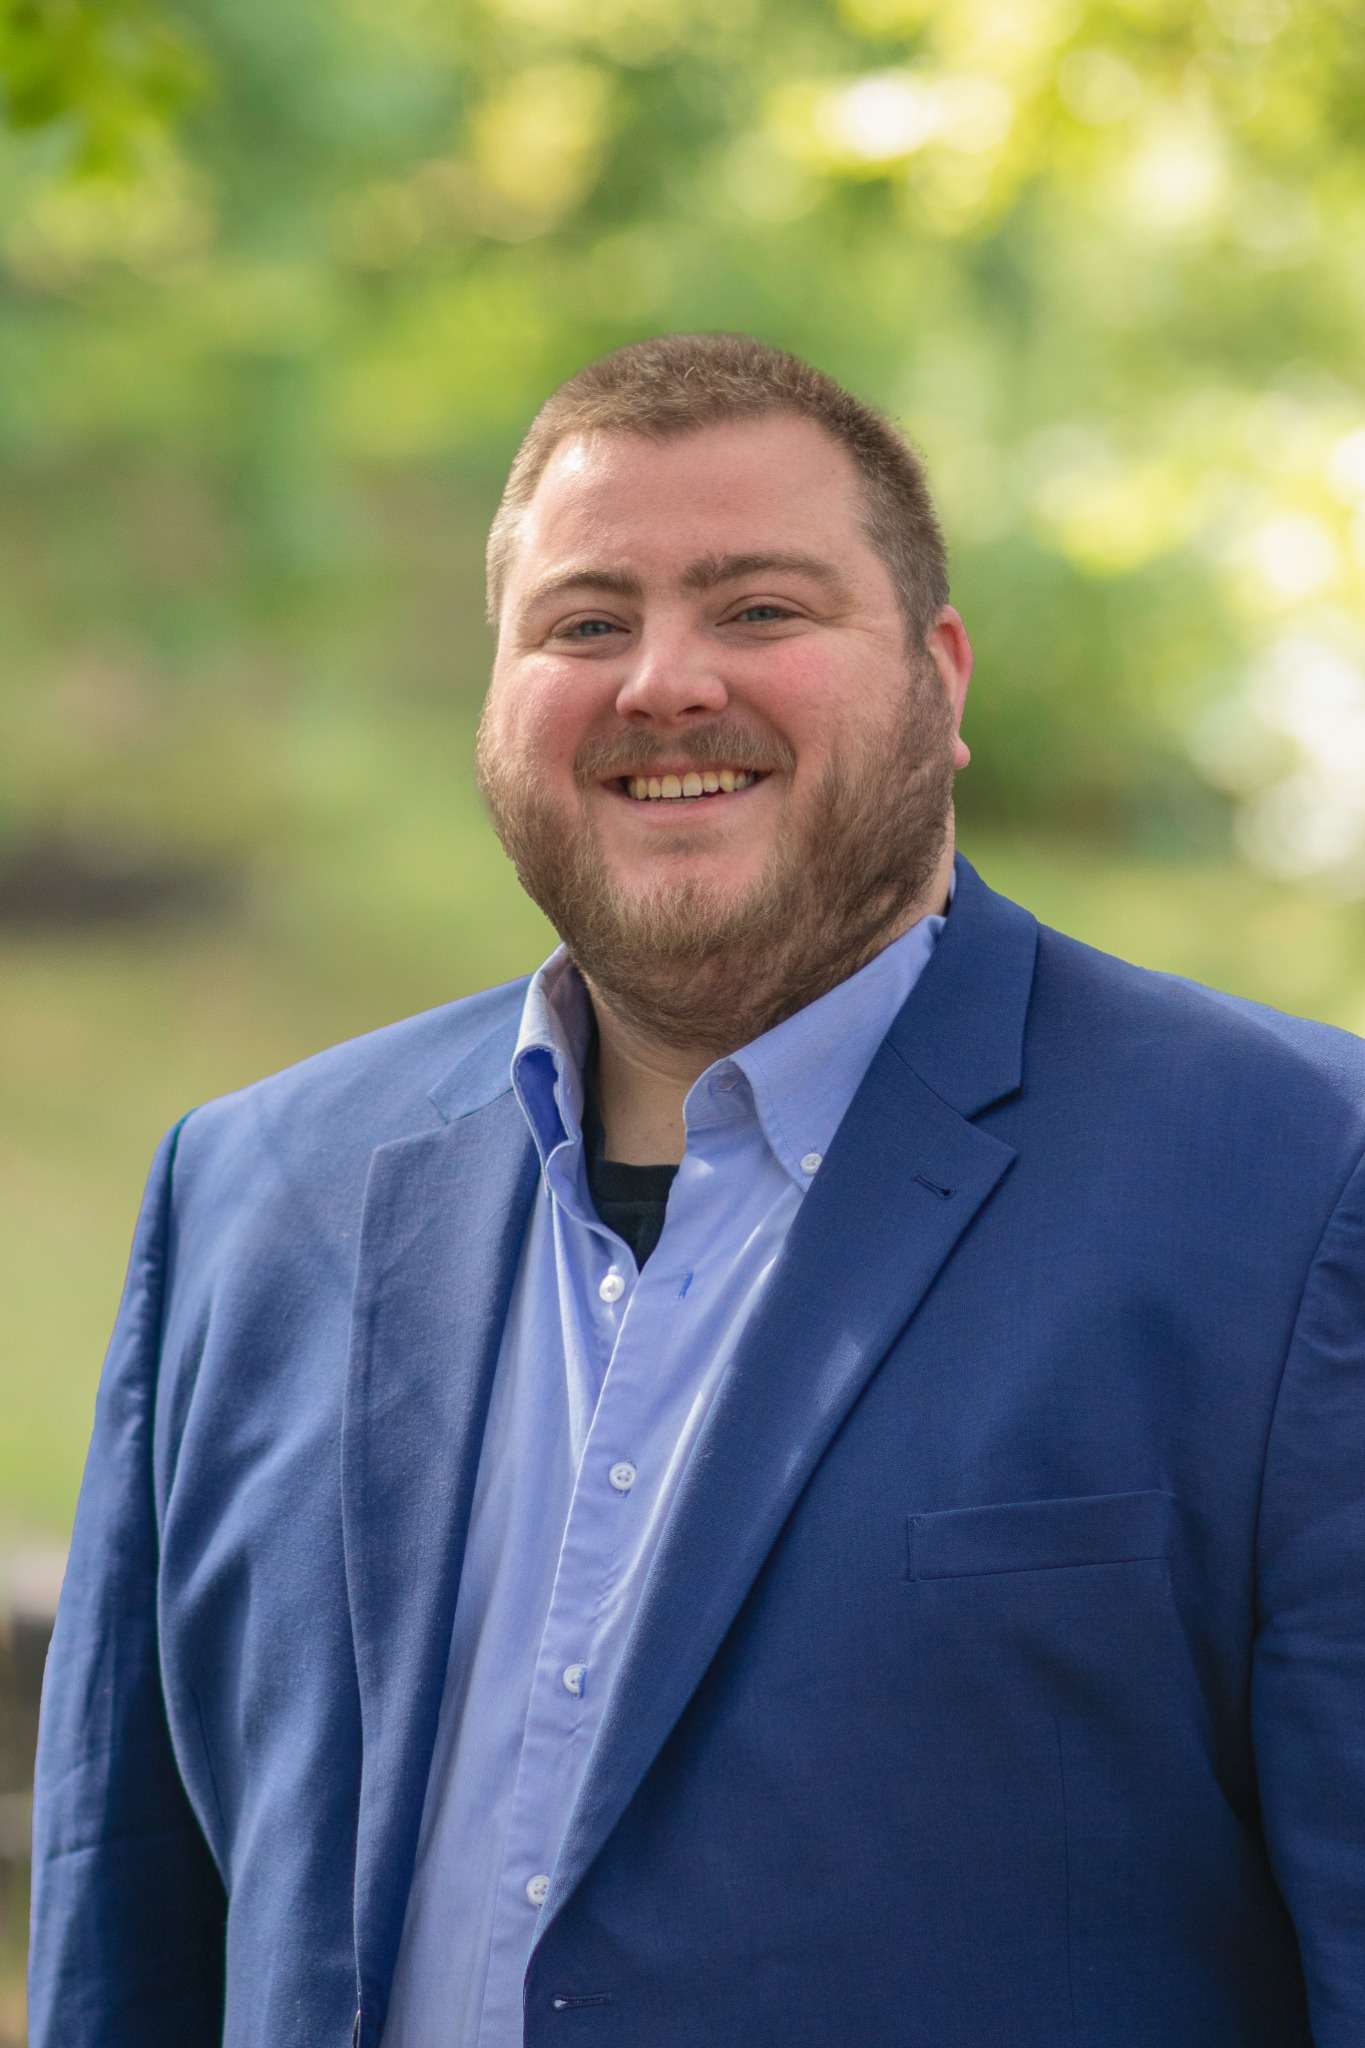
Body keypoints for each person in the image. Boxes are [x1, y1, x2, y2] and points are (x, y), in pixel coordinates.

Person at [28, 332, 1365, 2048]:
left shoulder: (1294, 1184)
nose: (662, 681)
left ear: (941, 684)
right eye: (584, 623)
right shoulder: (252, 1192)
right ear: (498, 697)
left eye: (760, 611)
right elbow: (130, 1916)